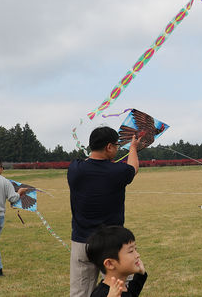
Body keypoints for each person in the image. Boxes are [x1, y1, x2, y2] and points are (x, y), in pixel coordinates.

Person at [67, 127, 141, 297]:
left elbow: (87, 161)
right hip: (110, 244)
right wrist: (133, 148)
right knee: (119, 290)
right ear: (109, 147)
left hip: (80, 242)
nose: (117, 149)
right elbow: (133, 168)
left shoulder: (75, 168)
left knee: (79, 293)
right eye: (116, 145)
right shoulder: (117, 172)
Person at [86, 225, 147, 297]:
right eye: (131, 251)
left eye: (135, 249)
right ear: (110, 264)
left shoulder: (120, 288)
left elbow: (131, 294)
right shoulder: (101, 294)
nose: (137, 255)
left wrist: (141, 274)